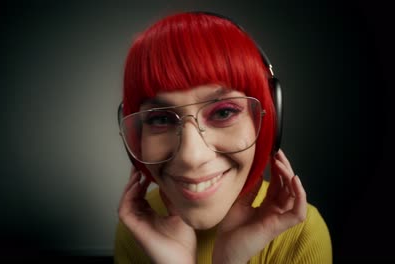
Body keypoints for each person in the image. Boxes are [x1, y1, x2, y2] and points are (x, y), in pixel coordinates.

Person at [114, 12, 332, 264]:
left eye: (224, 112)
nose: (191, 157)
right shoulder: (139, 227)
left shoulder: (300, 231)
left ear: (268, 117)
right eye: (160, 119)